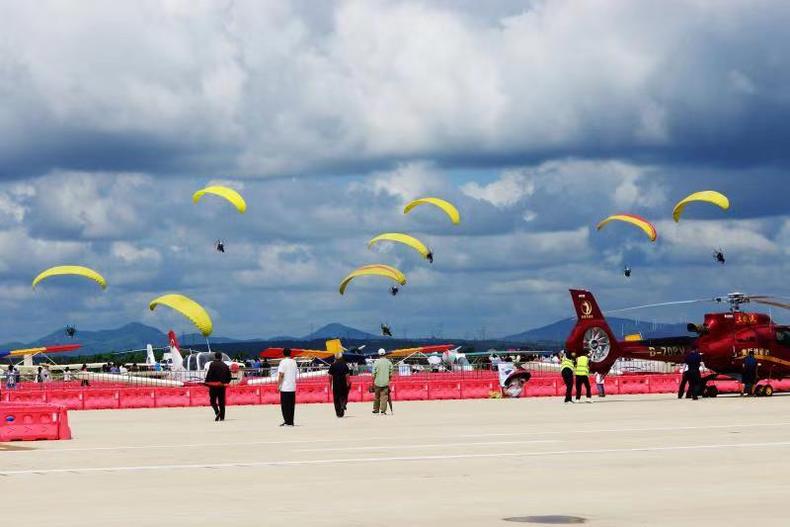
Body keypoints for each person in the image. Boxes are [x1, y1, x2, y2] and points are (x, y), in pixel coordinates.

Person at [205, 352, 232, 421]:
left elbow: (210, 374)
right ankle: (222, 417)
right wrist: (226, 382)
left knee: (212, 400)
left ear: (215, 357)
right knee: (221, 402)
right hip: (222, 386)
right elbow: (229, 376)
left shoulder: (212, 364)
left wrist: (206, 382)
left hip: (213, 386)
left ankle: (217, 412)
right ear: (221, 357)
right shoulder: (225, 365)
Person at [277, 349, 298, 426]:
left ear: (283, 354)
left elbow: (281, 374)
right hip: (292, 386)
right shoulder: (294, 362)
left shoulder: (283, 362)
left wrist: (278, 385)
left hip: (285, 387)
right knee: (291, 405)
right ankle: (291, 421)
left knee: (285, 406)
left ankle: (287, 421)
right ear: (290, 354)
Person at [372, 349, 393, 415]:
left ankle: (376, 410)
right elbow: (391, 374)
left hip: (377, 382)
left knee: (376, 396)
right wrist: (388, 380)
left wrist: (373, 382)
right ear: (385, 354)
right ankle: (383, 411)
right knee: (384, 397)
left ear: (379, 354)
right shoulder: (389, 362)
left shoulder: (376, 362)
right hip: (385, 383)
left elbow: (373, 374)